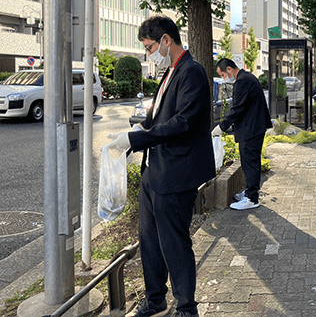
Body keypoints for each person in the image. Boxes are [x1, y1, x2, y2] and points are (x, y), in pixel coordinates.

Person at [107, 16, 214, 317]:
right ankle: (156, 300)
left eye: (149, 47)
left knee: (174, 244)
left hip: (177, 174)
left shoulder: (192, 72)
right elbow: (157, 117)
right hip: (154, 172)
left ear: (166, 40)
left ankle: (187, 308)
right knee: (149, 241)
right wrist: (138, 129)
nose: (149, 54)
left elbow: (182, 123)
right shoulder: (170, 72)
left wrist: (137, 138)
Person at [212, 58, 272, 211]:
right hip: (254, 127)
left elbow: (237, 109)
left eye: (223, 75)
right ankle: (249, 192)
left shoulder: (242, 81)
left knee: (250, 163)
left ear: (229, 70)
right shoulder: (248, 77)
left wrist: (222, 127)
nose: (224, 78)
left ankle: (251, 198)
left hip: (250, 129)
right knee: (250, 162)